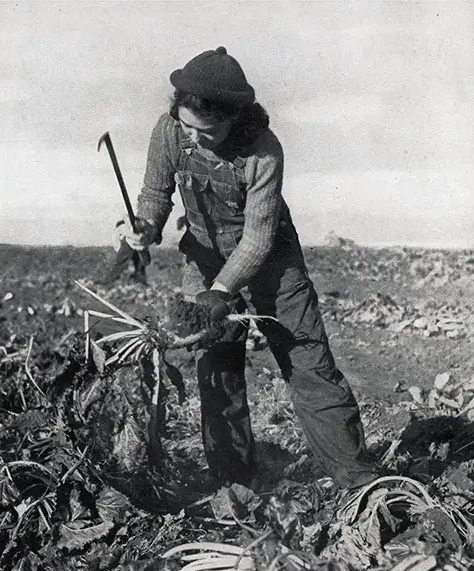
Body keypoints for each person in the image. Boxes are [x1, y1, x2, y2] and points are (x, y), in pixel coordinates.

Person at [120, 46, 377, 489]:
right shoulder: (167, 132)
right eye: (187, 127)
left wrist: (220, 292)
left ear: (234, 116)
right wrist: (144, 227)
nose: (196, 138)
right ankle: (234, 485)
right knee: (216, 369)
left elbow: (257, 238)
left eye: (209, 130)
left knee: (308, 365)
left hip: (274, 264)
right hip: (203, 255)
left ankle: (357, 483)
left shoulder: (264, 151)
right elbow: (155, 194)